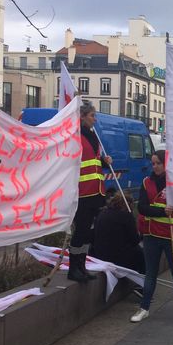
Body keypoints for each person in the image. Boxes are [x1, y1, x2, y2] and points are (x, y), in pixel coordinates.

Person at [130, 150, 173, 325]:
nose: (155, 166)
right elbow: (142, 208)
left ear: (166, 164)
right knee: (150, 273)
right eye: (153, 163)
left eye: (158, 163)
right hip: (153, 234)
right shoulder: (146, 182)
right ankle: (144, 308)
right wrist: (160, 210)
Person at [68, 104, 112, 283]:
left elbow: (92, 161)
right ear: (83, 116)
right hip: (83, 193)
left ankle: (82, 265)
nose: (95, 119)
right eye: (93, 115)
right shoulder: (76, 135)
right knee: (80, 232)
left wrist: (104, 161)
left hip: (96, 191)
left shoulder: (93, 135)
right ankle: (73, 268)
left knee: (88, 233)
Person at [93, 192, 144, 274]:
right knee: (140, 252)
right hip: (118, 256)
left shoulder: (103, 213)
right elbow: (135, 240)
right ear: (128, 204)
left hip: (100, 254)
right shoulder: (126, 216)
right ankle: (141, 279)